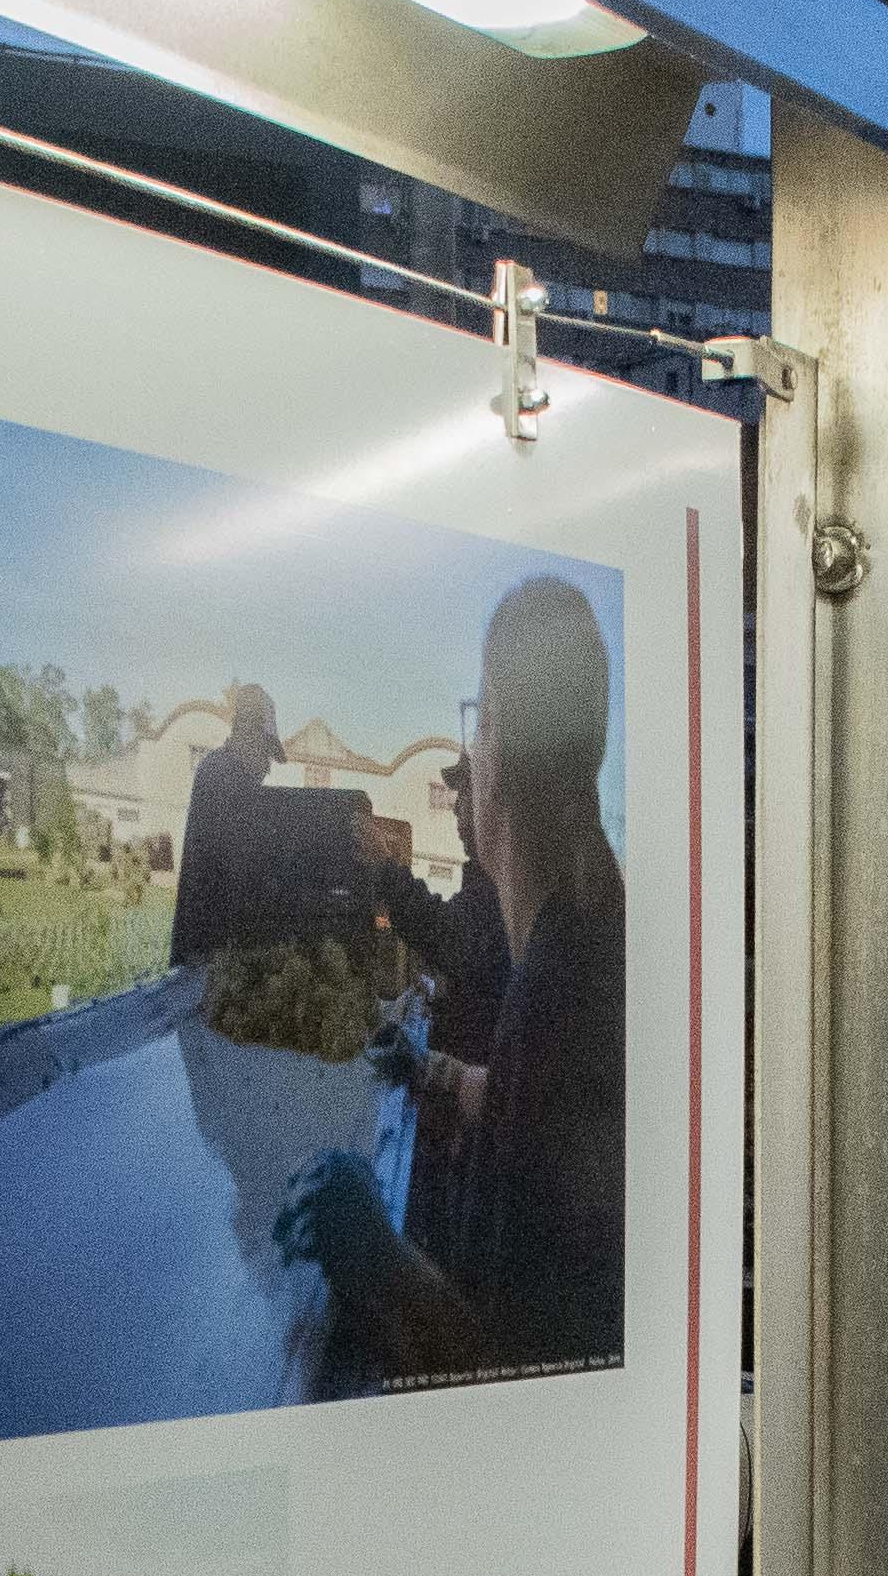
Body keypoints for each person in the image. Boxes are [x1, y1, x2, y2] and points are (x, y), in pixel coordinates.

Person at [273, 580, 627, 1381]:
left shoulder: (559, 977)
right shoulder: (582, 934)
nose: (468, 773)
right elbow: (534, 1102)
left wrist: (376, 1252)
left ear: (497, 740)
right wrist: (433, 1070)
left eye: (480, 731)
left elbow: (508, 1356)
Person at [164, 684, 289, 968]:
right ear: (248, 734)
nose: (269, 767)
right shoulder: (222, 777)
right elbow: (238, 869)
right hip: (205, 951)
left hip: (211, 948)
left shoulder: (224, 772)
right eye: (266, 752)